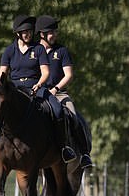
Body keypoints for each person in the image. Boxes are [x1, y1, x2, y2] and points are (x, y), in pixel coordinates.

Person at [0, 15, 76, 165]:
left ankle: (64, 147)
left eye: (30, 31)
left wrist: (39, 84)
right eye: (25, 32)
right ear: (18, 34)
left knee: (57, 109)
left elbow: (45, 72)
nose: (28, 34)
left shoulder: (38, 49)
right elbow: (2, 74)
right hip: (14, 87)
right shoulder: (9, 51)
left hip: (35, 86)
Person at [36, 15, 93, 169]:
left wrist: (55, 89)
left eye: (55, 32)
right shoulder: (34, 51)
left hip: (59, 93)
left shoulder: (61, 51)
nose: (54, 35)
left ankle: (84, 153)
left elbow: (69, 75)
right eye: (50, 32)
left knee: (73, 115)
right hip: (37, 93)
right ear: (41, 34)